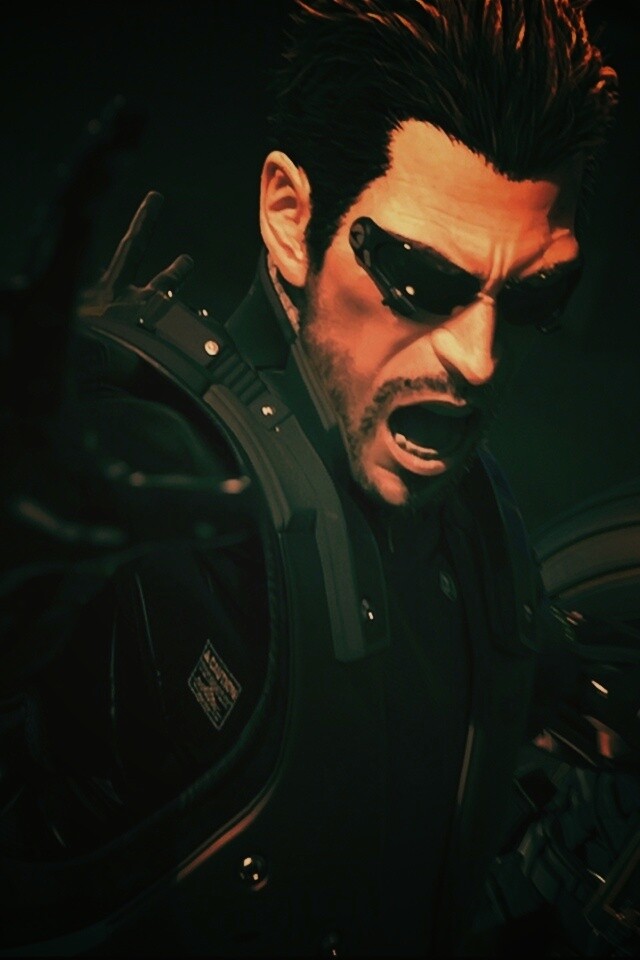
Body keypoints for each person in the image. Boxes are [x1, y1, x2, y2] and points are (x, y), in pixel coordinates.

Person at [1, 1, 638, 957]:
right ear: (292, 221)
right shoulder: (156, 502)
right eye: (422, 278)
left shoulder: (475, 513)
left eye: (533, 294)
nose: (479, 358)